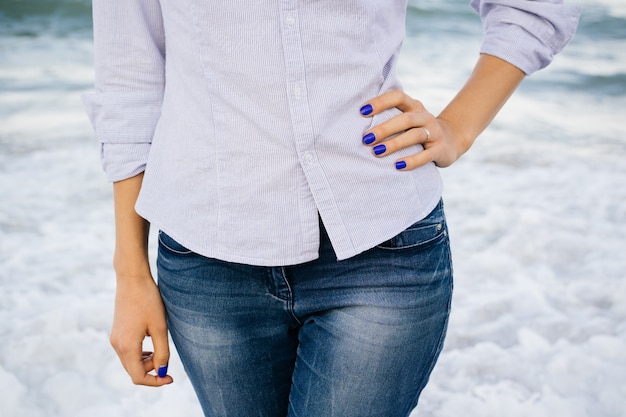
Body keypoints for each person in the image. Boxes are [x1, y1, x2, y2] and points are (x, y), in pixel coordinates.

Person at [83, 1, 580, 416]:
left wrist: (459, 127)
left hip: (381, 248)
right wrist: (131, 276)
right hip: (209, 267)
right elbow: (130, 87)